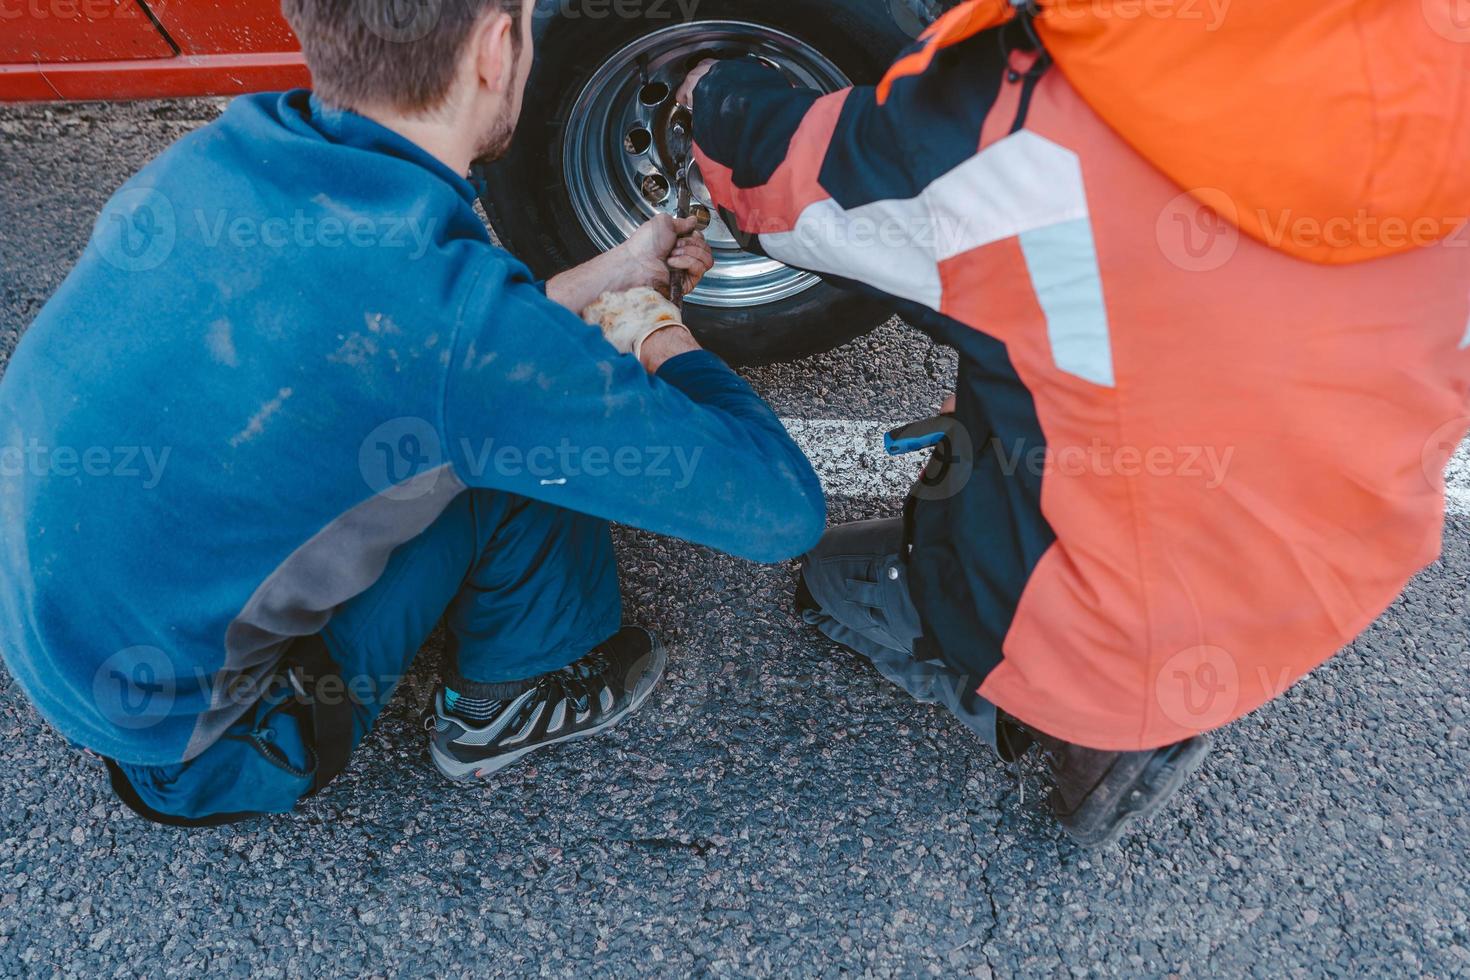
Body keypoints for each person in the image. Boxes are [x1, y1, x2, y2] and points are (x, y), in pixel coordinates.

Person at [0, 0, 826, 826]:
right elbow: (781, 510)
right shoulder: (459, 336)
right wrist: (654, 328)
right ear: (496, 50)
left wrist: (619, 271)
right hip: (205, 753)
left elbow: (416, 346)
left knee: (492, 403)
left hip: (62, 650)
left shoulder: (215, 158)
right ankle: (508, 702)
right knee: (542, 437)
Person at [678, 0, 1470, 846]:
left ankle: (1082, 718)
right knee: (1046, 351)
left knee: (830, 575)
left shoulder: (1029, 119)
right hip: (1343, 554)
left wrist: (715, 94)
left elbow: (796, 195)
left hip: (1125, 589)